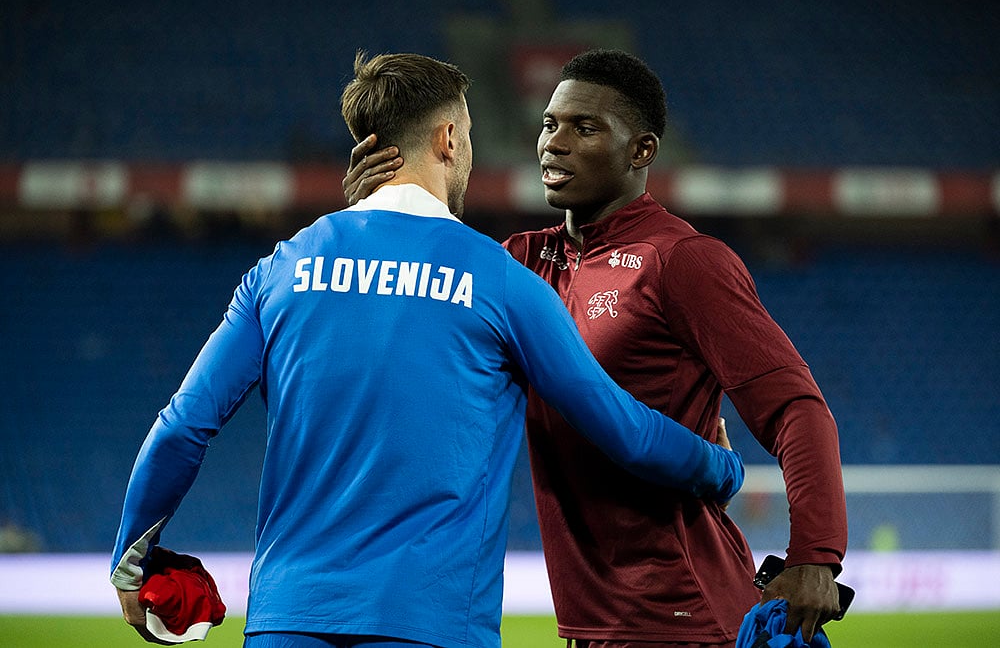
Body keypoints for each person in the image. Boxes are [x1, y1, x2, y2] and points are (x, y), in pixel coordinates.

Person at [110, 51, 746, 648]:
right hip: (432, 622)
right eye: (467, 136)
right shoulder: (500, 281)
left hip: (288, 616)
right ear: (447, 139)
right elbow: (622, 429)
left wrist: (131, 564)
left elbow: (183, 426)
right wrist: (721, 468)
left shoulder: (283, 268)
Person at [344, 48, 848, 648]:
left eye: (585, 128)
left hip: (680, 613)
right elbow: (404, 327)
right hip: (594, 621)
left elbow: (795, 407)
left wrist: (815, 555)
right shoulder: (521, 262)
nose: (553, 144)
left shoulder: (683, 262)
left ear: (641, 151)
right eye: (549, 124)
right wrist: (375, 215)